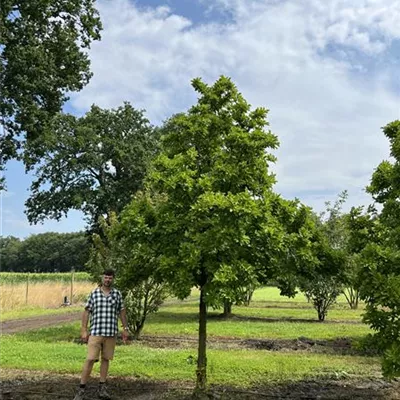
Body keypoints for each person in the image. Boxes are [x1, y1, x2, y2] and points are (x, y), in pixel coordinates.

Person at [73, 269, 129, 400]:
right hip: (96, 332)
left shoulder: (117, 294)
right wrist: (83, 329)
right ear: (102, 278)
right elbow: (87, 312)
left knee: (106, 359)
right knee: (90, 359)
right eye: (106, 277)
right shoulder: (94, 293)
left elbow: (122, 311)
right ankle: (81, 389)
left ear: (113, 279)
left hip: (111, 333)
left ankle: (102, 388)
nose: (107, 280)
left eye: (110, 278)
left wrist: (125, 328)